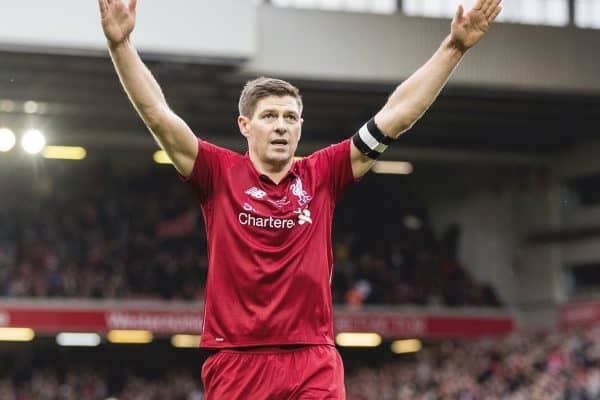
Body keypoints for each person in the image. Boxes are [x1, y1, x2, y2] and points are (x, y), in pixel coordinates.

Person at [98, 0, 502, 398]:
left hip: (313, 358)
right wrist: (121, 46)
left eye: (290, 118)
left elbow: (396, 114)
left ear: (300, 126)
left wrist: (454, 47)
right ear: (245, 125)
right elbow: (158, 116)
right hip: (237, 360)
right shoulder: (217, 173)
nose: (281, 127)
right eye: (269, 116)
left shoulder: (323, 173)